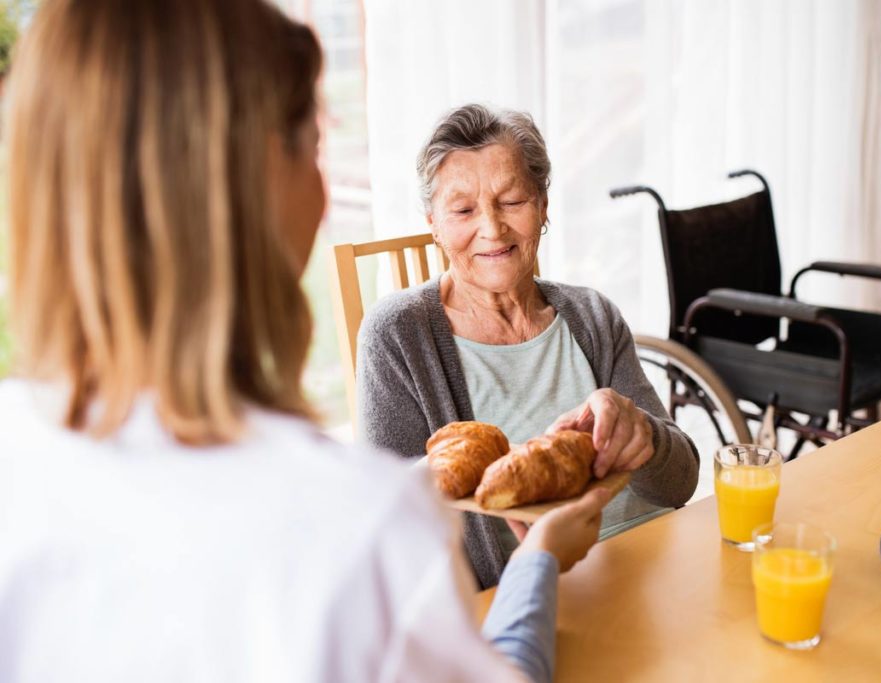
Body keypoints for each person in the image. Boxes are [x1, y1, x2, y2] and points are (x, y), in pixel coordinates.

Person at [0, 2, 608, 681]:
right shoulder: (357, 532)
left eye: (512, 200)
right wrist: (536, 563)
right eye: (313, 147)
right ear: (250, 185)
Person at [358, 103, 700, 589]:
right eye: (462, 210)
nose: (492, 229)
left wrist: (643, 434)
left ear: (542, 205)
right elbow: (383, 528)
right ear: (433, 221)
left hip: (653, 573)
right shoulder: (398, 335)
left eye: (512, 200)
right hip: (531, 603)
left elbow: (680, 483)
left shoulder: (592, 316)